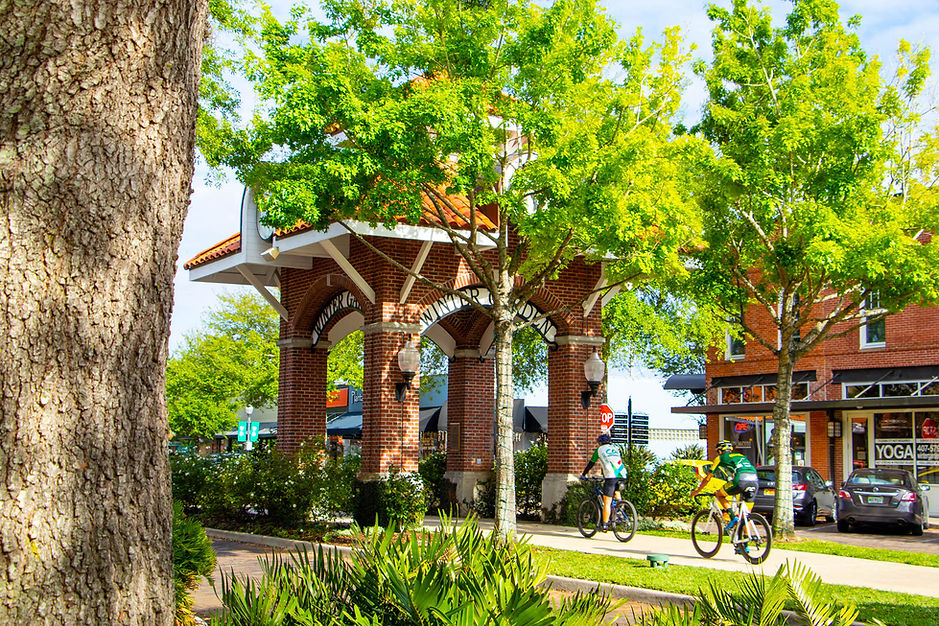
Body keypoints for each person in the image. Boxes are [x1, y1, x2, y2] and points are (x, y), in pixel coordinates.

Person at [690, 440, 758, 532]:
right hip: (754, 480)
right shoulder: (740, 456)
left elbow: (708, 478)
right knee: (746, 515)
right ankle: (745, 544)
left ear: (719, 451)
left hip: (741, 479)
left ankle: (733, 518)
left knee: (719, 495)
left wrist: (697, 491)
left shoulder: (720, 458)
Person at [579, 432, 627, 531]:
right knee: (617, 493)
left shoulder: (599, 450)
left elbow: (591, 464)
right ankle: (620, 511)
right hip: (622, 474)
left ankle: (605, 525)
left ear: (600, 442)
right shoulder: (615, 449)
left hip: (611, 476)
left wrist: (583, 475)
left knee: (607, 502)